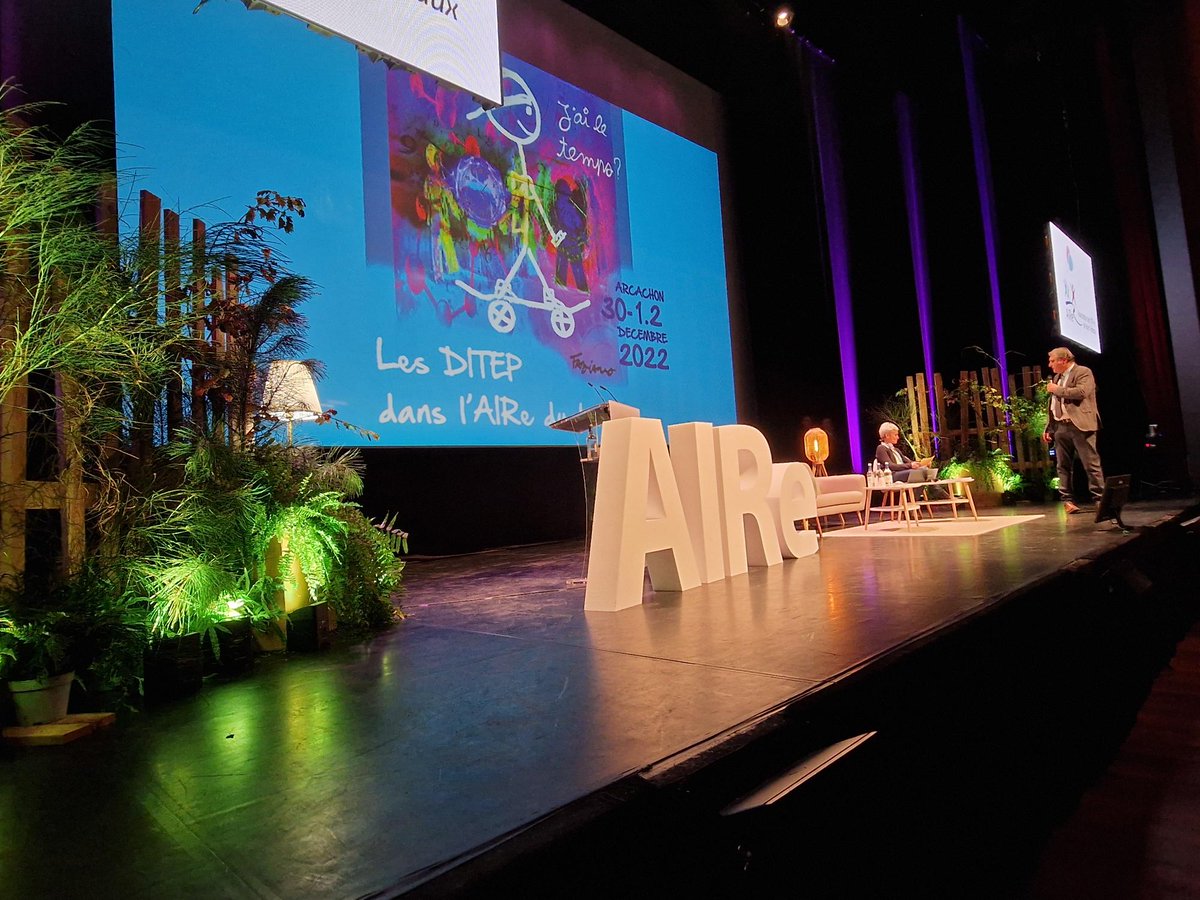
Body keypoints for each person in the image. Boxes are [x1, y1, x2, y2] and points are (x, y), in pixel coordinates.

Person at [1041, 346, 1104, 513]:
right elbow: (1054, 404)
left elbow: (1081, 392)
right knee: (1063, 466)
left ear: (1063, 360)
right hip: (1060, 426)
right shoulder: (1057, 377)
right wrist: (1049, 427)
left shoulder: (1083, 372)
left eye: (1052, 361)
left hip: (1080, 425)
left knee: (1090, 464)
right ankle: (1067, 501)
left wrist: (1056, 389)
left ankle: (1100, 500)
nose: (1050, 364)